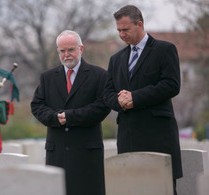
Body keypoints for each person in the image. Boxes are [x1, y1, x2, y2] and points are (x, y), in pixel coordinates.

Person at [102, 5, 183, 195]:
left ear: (140, 24)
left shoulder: (164, 50)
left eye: (125, 29)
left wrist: (135, 97)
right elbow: (107, 93)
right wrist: (120, 101)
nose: (121, 35)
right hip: (128, 137)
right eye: (118, 30)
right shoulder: (116, 59)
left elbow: (172, 85)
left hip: (158, 136)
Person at [31, 30, 110, 195]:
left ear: (81, 49)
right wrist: (54, 118)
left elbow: (102, 107)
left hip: (86, 153)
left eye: (71, 50)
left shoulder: (99, 75)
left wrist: (70, 117)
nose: (66, 54)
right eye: (62, 51)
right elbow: (37, 105)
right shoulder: (48, 77)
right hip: (57, 153)